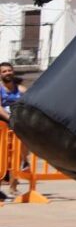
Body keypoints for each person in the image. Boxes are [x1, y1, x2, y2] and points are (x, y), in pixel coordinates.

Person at [0, 62, 27, 196]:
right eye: (4, 71)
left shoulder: (21, 89)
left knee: (15, 158)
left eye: (9, 70)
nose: (7, 73)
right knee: (2, 158)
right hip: (3, 125)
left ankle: (13, 187)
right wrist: (10, 118)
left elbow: (30, 103)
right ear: (0, 74)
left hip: (16, 126)